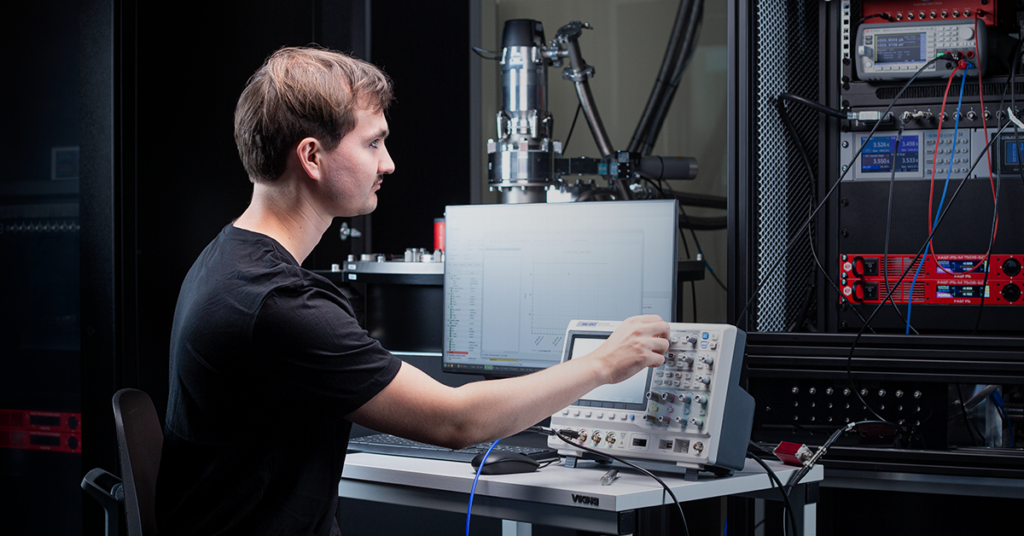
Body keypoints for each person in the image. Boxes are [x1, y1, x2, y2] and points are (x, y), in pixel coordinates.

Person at [156, 46, 670, 536]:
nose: (388, 164)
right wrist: (604, 364)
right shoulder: (277, 302)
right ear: (311, 156)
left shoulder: (226, 258)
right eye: (373, 143)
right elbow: (456, 421)